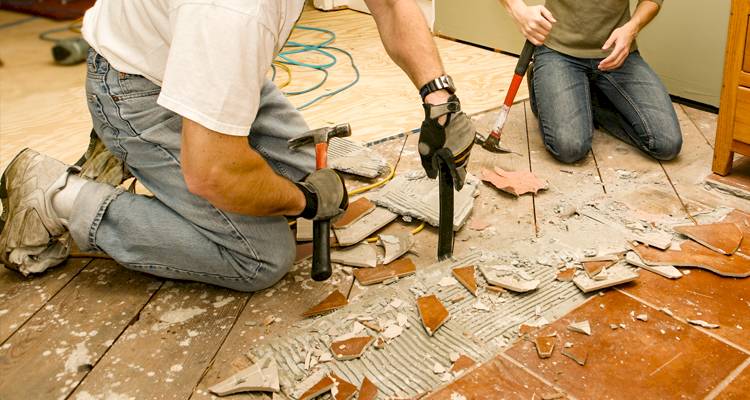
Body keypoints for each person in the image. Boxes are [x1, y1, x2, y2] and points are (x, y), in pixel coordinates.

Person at [0, 0, 475, 291]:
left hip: (199, 64)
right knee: (259, 255)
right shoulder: (234, 11)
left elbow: (391, 4)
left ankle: (135, 153)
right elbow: (212, 172)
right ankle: (61, 196)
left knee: (294, 177)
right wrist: (306, 201)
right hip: (135, 88)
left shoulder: (235, 22)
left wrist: (439, 99)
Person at [501, 0, 682, 163]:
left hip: (616, 54)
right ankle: (541, 84)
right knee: (570, 148)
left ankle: (585, 95)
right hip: (558, 52)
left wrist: (632, 28)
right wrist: (518, 10)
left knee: (667, 143)